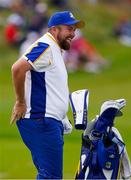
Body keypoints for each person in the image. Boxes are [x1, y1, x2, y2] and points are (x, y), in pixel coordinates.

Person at [11, 11, 84, 179]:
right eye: (68, 29)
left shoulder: (54, 49)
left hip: (48, 121)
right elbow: (17, 68)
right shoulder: (46, 46)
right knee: (50, 176)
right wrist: (20, 102)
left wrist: (61, 117)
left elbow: (51, 88)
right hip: (41, 120)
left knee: (49, 175)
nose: (73, 34)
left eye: (74, 30)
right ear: (54, 30)